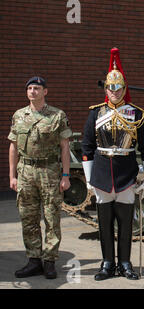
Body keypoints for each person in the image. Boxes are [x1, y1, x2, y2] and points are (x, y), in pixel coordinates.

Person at [81, 48, 144, 281]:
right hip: (102, 174)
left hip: (126, 174)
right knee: (104, 224)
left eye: (118, 88)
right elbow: (87, 148)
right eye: (110, 88)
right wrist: (89, 179)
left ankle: (125, 263)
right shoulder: (95, 113)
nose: (114, 92)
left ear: (124, 89)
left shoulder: (136, 114)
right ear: (106, 89)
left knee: (125, 224)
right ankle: (107, 263)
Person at [8, 76, 72, 279]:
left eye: (37, 88)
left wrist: (65, 175)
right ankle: (34, 260)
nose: (32, 91)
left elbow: (64, 147)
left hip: (49, 171)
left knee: (52, 218)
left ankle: (50, 261)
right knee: (28, 217)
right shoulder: (19, 115)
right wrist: (12, 175)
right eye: (30, 88)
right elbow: (13, 146)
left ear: (45, 92)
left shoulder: (57, 116)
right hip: (25, 172)